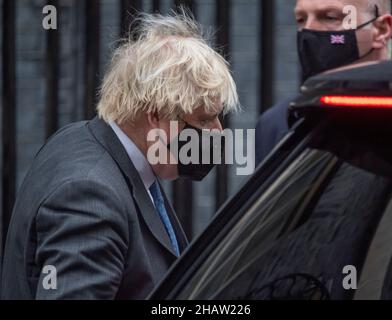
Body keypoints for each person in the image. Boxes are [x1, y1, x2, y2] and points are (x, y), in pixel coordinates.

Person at [0, 12, 239, 299]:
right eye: (203, 120)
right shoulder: (90, 196)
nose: (217, 132)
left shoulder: (91, 144)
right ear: (156, 116)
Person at [255, 0, 392, 165]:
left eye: (330, 17)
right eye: (300, 19)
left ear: (380, 30)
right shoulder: (278, 123)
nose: (308, 29)